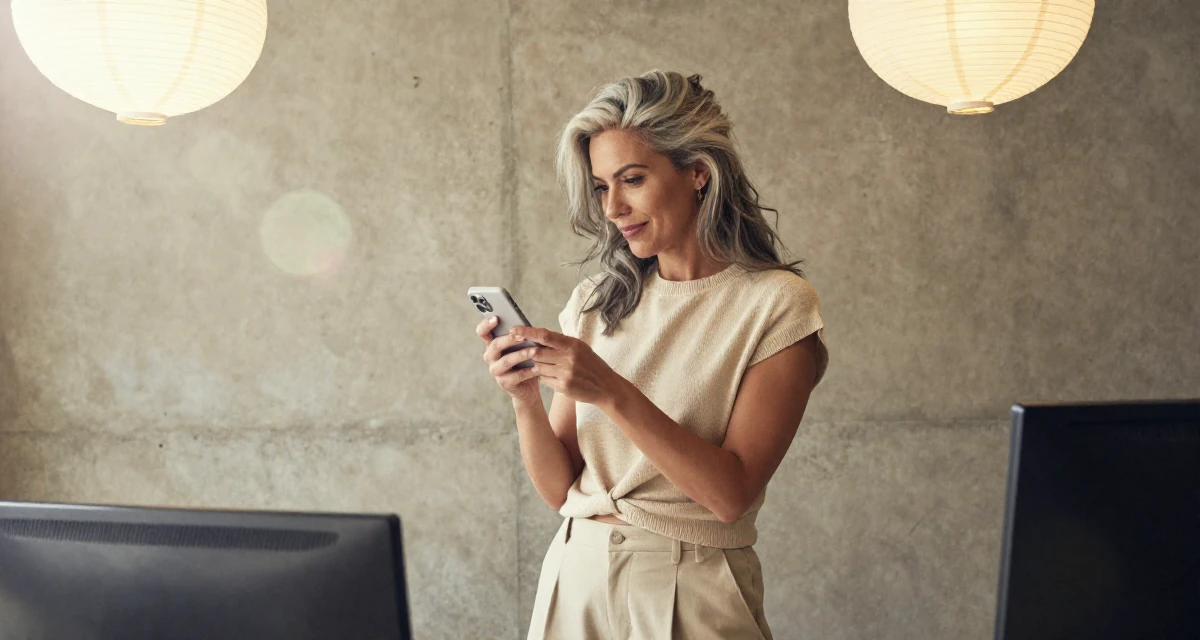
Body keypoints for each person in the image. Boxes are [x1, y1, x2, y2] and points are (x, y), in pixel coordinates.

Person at [475, 70, 829, 640]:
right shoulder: (596, 302)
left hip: (691, 587)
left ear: (698, 172)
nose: (613, 207)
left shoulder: (776, 306)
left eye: (632, 179)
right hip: (575, 578)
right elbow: (561, 490)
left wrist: (610, 390)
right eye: (599, 187)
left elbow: (729, 495)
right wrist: (523, 400)